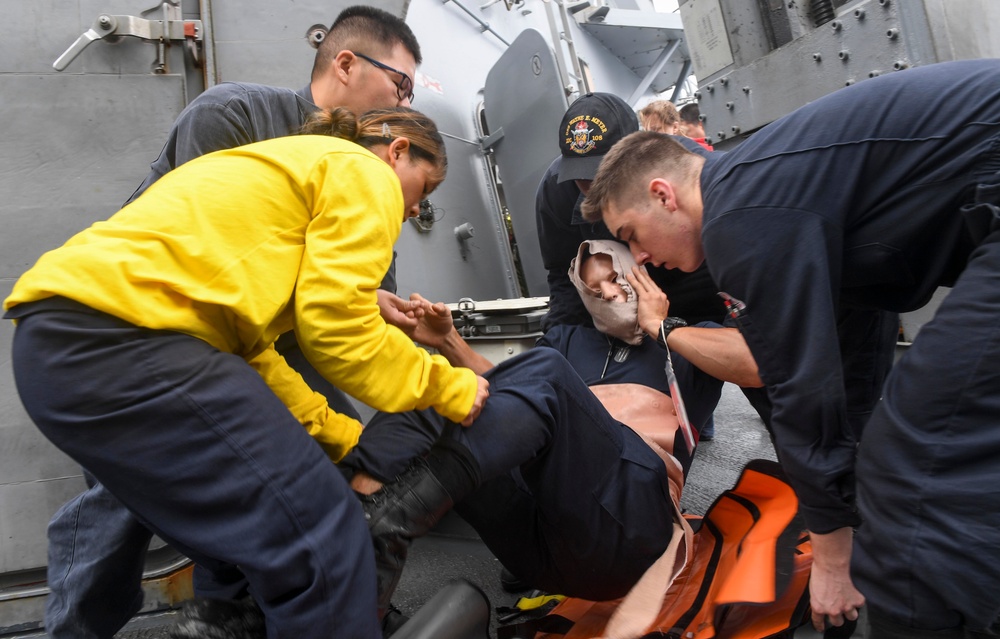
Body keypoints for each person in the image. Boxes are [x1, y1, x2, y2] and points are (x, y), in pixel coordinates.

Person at [3, 107, 489, 639]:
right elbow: (337, 329)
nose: (415, 209)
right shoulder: (362, 171)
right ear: (397, 152)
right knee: (323, 537)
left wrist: (345, 441)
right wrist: (451, 387)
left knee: (240, 550)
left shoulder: (284, 178)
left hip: (52, 351)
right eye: (424, 189)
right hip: (126, 338)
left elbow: (251, 361)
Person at [38, 6, 425, 638]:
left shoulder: (362, 169)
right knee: (126, 500)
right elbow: (205, 258)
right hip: (155, 335)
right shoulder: (234, 115)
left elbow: (362, 285)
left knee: (347, 455)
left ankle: (323, 607)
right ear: (347, 64)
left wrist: (397, 314)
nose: (404, 103)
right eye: (401, 85)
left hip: (265, 343)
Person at [580, 58, 1000, 638]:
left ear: (663, 194)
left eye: (631, 235)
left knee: (912, 461)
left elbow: (798, 388)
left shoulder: (740, 214)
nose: (641, 257)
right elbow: (851, 354)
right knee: (911, 449)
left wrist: (830, 561)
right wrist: (846, 506)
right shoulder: (770, 185)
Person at [341, 239, 762, 616]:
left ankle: (389, 520)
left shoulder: (686, 339)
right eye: (594, 290)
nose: (610, 293)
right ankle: (355, 556)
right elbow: (508, 394)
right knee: (437, 389)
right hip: (542, 545)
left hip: (633, 527)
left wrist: (661, 327)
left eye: (617, 279)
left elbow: (758, 364)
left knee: (543, 371)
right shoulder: (568, 339)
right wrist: (447, 343)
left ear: (642, 275)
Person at [536, 92, 726, 333]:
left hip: (691, 290)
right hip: (617, 316)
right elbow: (562, 274)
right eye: (581, 176)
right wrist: (562, 338)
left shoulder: (685, 163)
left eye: (601, 173)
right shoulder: (557, 189)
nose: (594, 186)